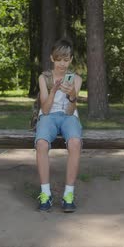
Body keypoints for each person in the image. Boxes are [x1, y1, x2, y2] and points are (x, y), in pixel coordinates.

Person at [35, 38, 83, 212]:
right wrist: (53, 91)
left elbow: (70, 112)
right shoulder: (44, 78)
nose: (62, 64)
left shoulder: (75, 79)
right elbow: (45, 111)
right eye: (59, 59)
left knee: (75, 143)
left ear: (70, 59)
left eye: (66, 59)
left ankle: (68, 195)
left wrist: (72, 95)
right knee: (41, 144)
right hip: (48, 116)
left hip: (68, 117)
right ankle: (45, 194)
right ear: (52, 58)